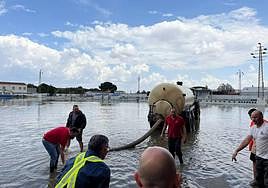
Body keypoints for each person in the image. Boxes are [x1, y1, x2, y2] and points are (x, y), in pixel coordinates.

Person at [232, 110, 268, 187]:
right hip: (258, 157)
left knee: (267, 181)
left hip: (267, 159)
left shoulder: (267, 127)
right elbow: (247, 140)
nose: (253, 119)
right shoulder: (253, 128)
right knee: (259, 180)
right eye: (252, 118)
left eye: (255, 117)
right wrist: (236, 150)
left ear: (261, 117)